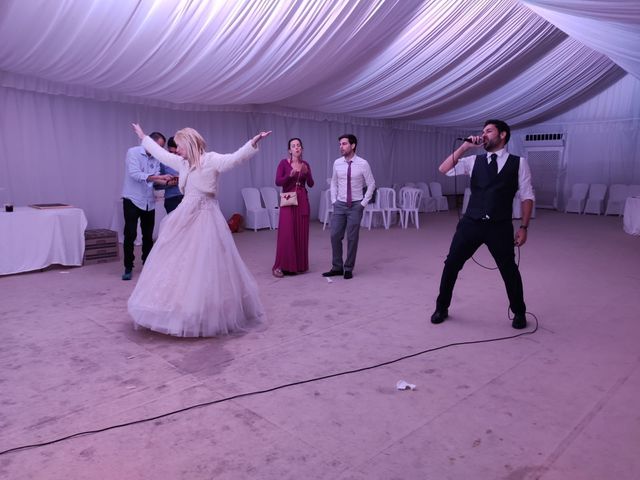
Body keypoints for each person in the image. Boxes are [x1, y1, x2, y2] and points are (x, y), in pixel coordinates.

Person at [128, 123, 272, 337]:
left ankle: (206, 311)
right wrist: (143, 137)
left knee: (206, 263)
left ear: (189, 144)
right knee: (175, 259)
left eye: (180, 147)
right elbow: (159, 154)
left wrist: (253, 142)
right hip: (185, 212)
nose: (177, 151)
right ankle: (177, 308)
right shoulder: (182, 162)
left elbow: (234, 159)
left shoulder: (211, 160)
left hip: (206, 216)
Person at [430, 119, 534, 329]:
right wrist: (466, 146)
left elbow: (527, 196)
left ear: (503, 134)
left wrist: (523, 227)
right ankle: (442, 307)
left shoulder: (519, 163)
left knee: (509, 270)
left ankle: (519, 312)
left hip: (500, 225)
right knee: (451, 264)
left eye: (489, 131)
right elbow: (444, 169)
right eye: (482, 131)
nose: (483, 134)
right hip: (471, 223)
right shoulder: (473, 161)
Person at [121, 131, 173, 281]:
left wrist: (170, 181)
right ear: (149, 142)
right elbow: (135, 174)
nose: (160, 150)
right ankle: (128, 267)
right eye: (158, 146)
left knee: (148, 236)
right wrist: (158, 177)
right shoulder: (133, 152)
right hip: (132, 199)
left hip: (149, 201)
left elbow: (155, 179)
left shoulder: (156, 158)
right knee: (130, 235)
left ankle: (147, 265)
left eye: (162, 148)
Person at [322, 134, 375, 280]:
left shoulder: (363, 163)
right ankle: (337, 267)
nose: (341, 147)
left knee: (352, 238)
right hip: (339, 204)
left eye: (344, 144)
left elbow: (371, 184)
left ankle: (348, 268)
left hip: (356, 205)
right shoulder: (337, 163)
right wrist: (334, 200)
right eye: (340, 144)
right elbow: (333, 182)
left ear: (353, 146)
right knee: (334, 236)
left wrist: (363, 203)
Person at [272, 138, 315, 277]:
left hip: (302, 199)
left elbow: (311, 184)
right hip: (288, 199)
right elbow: (278, 182)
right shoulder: (283, 164)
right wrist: (288, 176)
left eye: (298, 145)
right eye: (293, 146)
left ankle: (298, 265)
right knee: (286, 233)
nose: (296, 147)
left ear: (301, 149)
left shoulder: (305, 164)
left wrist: (307, 172)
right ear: (289, 150)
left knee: (300, 231)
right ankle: (280, 266)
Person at [156, 136, 184, 214]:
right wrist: (169, 183)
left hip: (188, 198)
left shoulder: (187, 160)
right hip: (172, 199)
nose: (174, 155)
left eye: (177, 153)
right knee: (174, 225)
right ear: (168, 149)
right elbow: (155, 184)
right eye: (171, 152)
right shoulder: (163, 162)